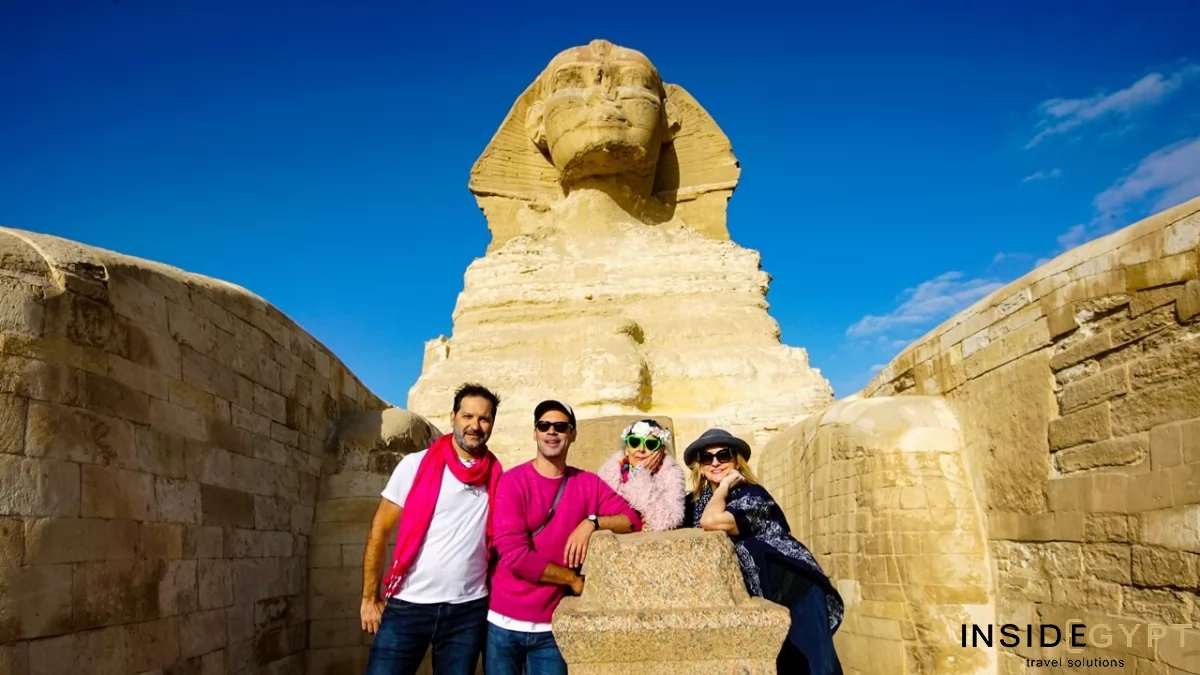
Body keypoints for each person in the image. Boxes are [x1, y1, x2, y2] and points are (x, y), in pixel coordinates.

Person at [486, 399, 645, 675]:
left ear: (572, 434)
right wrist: (571, 579)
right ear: (534, 432)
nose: (551, 432)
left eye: (560, 426)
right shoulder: (513, 482)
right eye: (544, 426)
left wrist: (592, 522)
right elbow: (515, 556)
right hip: (504, 624)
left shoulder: (587, 484)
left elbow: (632, 520)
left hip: (552, 627)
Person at [360, 383, 505, 675]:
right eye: (467, 416)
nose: (475, 425)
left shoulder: (497, 477)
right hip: (407, 606)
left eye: (484, 419)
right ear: (453, 417)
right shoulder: (414, 466)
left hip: (467, 611)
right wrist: (368, 598)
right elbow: (379, 530)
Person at [682, 428, 845, 675]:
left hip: (795, 587)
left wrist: (725, 485)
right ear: (700, 465)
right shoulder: (695, 503)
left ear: (736, 460)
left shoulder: (752, 494)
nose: (715, 462)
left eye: (723, 455)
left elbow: (712, 521)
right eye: (707, 457)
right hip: (763, 596)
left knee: (815, 666)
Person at [596, 418, 685, 531]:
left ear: (661, 450)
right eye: (634, 442)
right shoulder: (610, 473)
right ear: (627, 448)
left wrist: (639, 477)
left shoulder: (671, 474)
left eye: (650, 444)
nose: (641, 449)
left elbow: (667, 521)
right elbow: (600, 514)